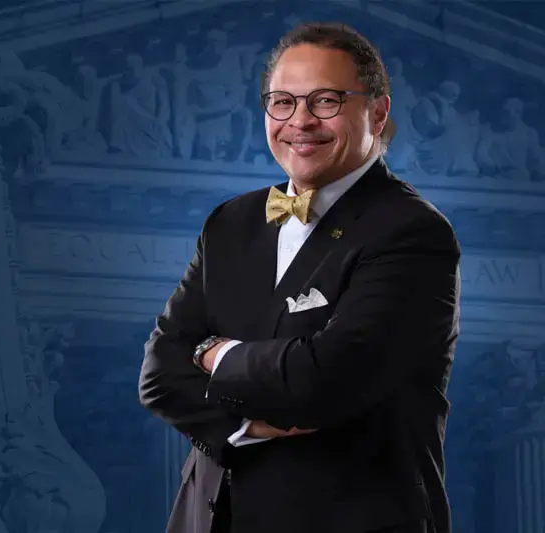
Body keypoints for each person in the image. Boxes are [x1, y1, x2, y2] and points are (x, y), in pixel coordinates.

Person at [138, 22, 461, 533]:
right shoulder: (231, 222)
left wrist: (216, 354)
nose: (300, 121)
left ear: (378, 113)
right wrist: (241, 425)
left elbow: (326, 378)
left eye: (326, 101)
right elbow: (159, 373)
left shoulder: (412, 231)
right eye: (282, 102)